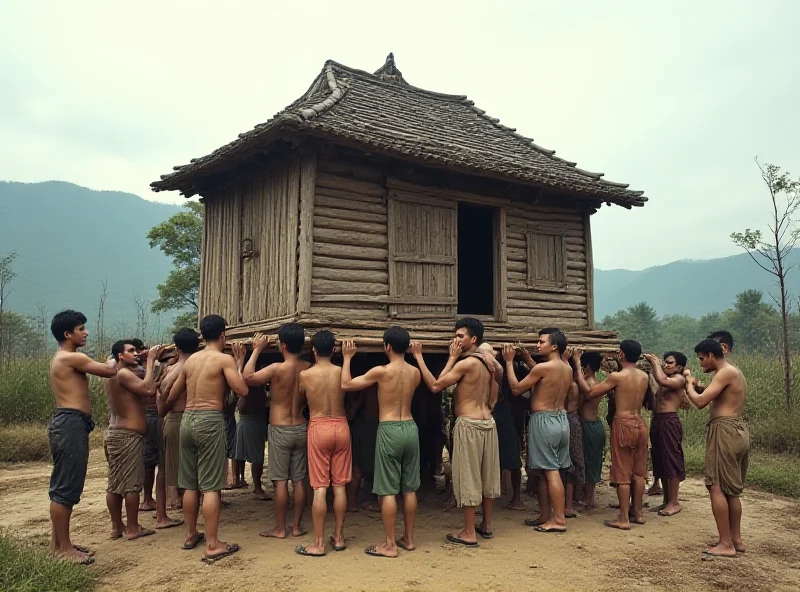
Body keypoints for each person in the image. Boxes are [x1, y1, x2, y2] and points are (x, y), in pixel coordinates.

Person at [166, 314, 248, 562]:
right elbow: (242, 389)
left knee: (190, 484)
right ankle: (213, 544)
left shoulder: (191, 361)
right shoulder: (224, 359)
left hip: (187, 421)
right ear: (223, 335)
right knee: (211, 485)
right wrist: (239, 364)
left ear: (202, 335)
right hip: (210, 420)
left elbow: (172, 393)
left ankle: (190, 534)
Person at [415, 318, 503, 546]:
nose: (456, 339)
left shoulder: (466, 363)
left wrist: (423, 358)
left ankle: (468, 532)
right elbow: (496, 392)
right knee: (487, 475)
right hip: (488, 423)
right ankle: (487, 525)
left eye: (460, 336)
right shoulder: (491, 364)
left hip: (469, 424)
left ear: (473, 339)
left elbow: (436, 386)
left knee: (469, 476)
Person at [342, 328, 421, 558]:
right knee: (409, 488)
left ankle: (389, 544)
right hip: (410, 427)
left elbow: (346, 385)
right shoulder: (415, 373)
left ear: (387, 346)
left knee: (388, 490)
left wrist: (347, 358)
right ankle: (409, 538)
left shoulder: (381, 371)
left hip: (389, 429)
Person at [47, 310, 118, 564]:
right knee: (66, 487)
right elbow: (109, 371)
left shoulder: (63, 358)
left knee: (64, 483)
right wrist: (117, 358)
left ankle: (59, 544)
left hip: (70, 423)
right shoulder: (70, 358)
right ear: (68, 334)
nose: (85, 332)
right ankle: (62, 549)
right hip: (70, 424)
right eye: (80, 329)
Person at [243, 324, 311, 539]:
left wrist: (256, 349)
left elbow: (247, 377)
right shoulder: (309, 368)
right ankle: (297, 526)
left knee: (280, 481)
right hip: (301, 425)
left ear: (282, 345)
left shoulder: (276, 369)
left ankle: (280, 528)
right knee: (299, 480)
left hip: (280, 428)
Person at [684, 339, 749, 558]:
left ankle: (725, 543)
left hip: (725, 432)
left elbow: (701, 402)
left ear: (711, 355)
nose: (701, 363)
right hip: (736, 429)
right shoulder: (732, 372)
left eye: (702, 359)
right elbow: (715, 394)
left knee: (717, 486)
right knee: (731, 489)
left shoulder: (724, 373)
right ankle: (735, 540)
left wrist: (688, 385)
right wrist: (698, 386)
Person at [577, 340, 651, 530]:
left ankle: (624, 518)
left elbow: (591, 392)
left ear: (621, 353)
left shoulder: (617, 377)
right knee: (639, 471)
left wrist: (577, 368)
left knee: (623, 472)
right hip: (640, 423)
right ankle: (639, 513)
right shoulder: (644, 376)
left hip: (624, 423)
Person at [504, 328, 571, 533]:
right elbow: (543, 377)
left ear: (554, 346)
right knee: (548, 471)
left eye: (542, 342)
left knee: (550, 472)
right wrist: (527, 359)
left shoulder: (542, 368)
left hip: (544, 420)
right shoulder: (566, 367)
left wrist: (508, 362)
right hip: (561, 420)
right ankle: (545, 515)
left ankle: (558, 520)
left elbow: (516, 389)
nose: (538, 345)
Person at [295, 330, 351, 557]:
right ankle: (338, 537)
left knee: (319, 488)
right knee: (339, 487)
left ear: (314, 350)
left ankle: (318, 543)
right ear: (335, 349)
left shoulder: (306, 375)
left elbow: (301, 396)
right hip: (341, 425)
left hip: (318, 426)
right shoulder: (341, 372)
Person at [104, 340, 165, 540]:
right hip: (127, 436)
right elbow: (148, 390)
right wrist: (151, 361)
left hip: (116, 434)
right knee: (131, 484)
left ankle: (116, 527)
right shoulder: (123, 374)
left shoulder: (112, 372)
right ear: (120, 356)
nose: (136, 353)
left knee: (114, 483)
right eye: (131, 351)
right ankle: (132, 527)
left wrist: (145, 361)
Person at [642, 351, 689, 517]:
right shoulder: (663, 379)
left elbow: (662, 379)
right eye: (665, 362)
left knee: (671, 459)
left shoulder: (678, 379)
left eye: (670, 363)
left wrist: (654, 361)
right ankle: (666, 500)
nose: (666, 365)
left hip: (669, 421)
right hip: (658, 420)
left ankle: (674, 502)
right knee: (660, 460)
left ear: (679, 367)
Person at [158, 328, 200, 511]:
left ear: (176, 348)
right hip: (197, 417)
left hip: (175, 418)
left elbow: (162, 400)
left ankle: (176, 501)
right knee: (196, 469)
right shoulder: (201, 366)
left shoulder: (170, 370)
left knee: (175, 466)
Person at [573, 350, 604, 509]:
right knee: (591, 459)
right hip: (593, 425)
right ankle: (588, 494)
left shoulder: (590, 384)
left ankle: (590, 498)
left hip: (589, 425)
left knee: (590, 460)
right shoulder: (595, 381)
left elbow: (580, 401)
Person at [235, 384, 269, 499]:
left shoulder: (256, 390)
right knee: (253, 457)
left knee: (254, 457)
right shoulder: (250, 390)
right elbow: (242, 408)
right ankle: (253, 485)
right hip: (250, 422)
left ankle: (246, 482)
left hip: (252, 422)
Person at [563, 352, 584, 519]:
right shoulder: (575, 384)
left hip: (568, 421)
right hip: (572, 420)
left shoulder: (572, 385)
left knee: (568, 463)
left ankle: (568, 505)